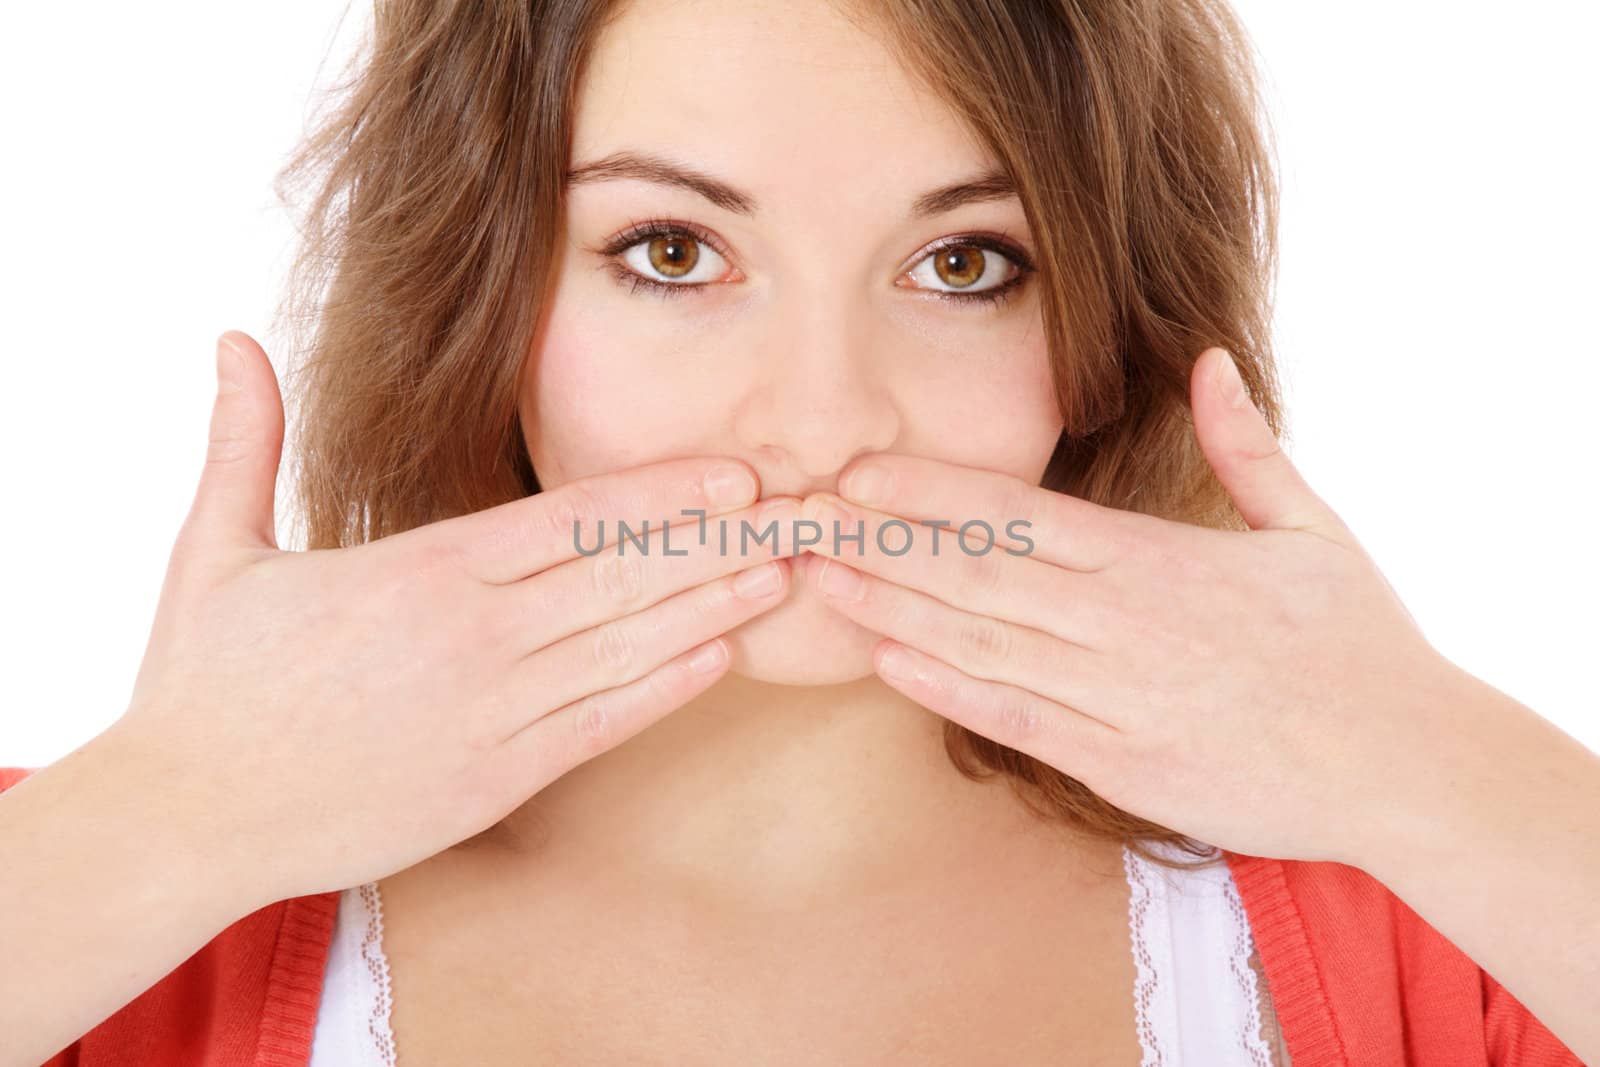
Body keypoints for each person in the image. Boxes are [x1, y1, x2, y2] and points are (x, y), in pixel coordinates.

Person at [1, 0, 1593, 1064]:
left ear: (1116, 327)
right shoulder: (112, 897)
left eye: (967, 264)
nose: (825, 423)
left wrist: (1429, 760)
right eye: (675, 250)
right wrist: (164, 818)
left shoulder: (1426, 903)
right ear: (476, 292)